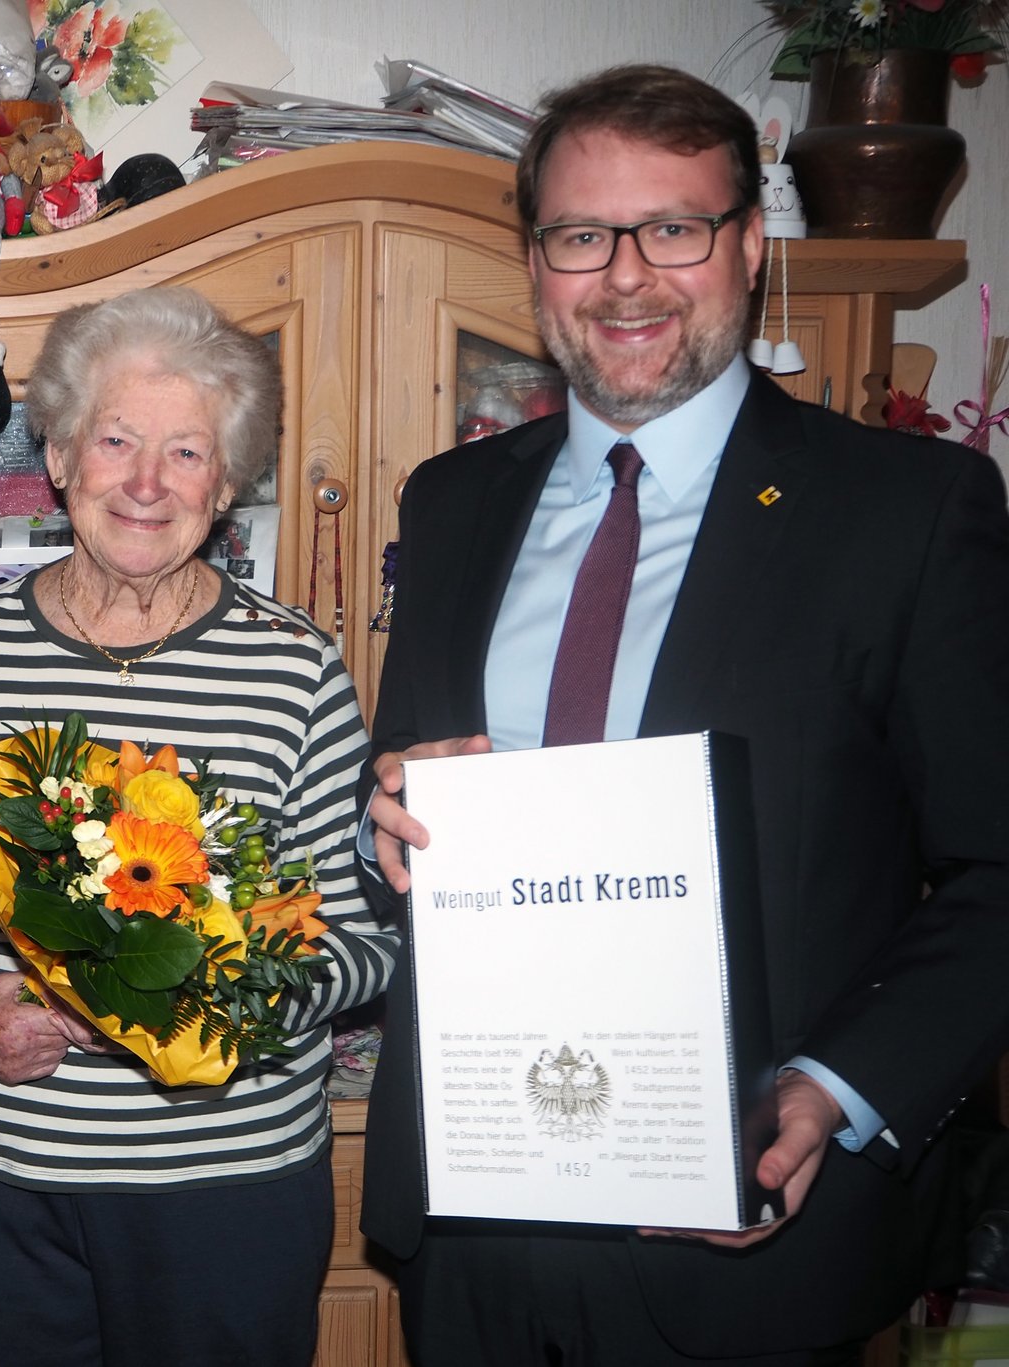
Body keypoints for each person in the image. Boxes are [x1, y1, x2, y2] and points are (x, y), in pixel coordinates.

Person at [359, 64, 1009, 1365]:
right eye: (582, 236)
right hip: (479, 1233)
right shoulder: (451, 503)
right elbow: (407, 809)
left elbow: (998, 871)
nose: (626, 278)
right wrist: (386, 827)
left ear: (751, 244)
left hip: (757, 1242)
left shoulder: (910, 512)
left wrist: (829, 1094)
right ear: (536, 260)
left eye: (675, 228)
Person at [0, 286, 398, 1367]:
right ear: (56, 457)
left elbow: (367, 938)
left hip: (226, 1186)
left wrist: (219, 997)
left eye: (187, 452)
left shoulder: (295, 671)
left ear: (230, 480)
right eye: (114, 439)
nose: (146, 483)